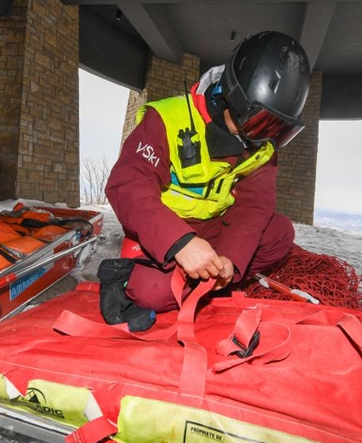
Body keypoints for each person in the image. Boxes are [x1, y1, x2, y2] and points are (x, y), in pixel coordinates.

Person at [99, 31, 311, 331]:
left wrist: (231, 261)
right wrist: (180, 243)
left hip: (212, 228)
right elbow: (127, 185)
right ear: (230, 97)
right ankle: (141, 276)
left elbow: (254, 208)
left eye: (277, 129)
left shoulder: (262, 146)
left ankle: (213, 281)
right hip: (160, 227)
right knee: (151, 294)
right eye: (259, 122)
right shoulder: (168, 119)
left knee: (279, 233)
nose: (262, 137)